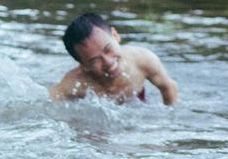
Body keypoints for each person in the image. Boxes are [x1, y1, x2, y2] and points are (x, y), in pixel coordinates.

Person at [49, 13, 178, 105]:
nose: (109, 62)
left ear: (115, 36)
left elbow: (169, 88)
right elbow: (48, 105)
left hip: (137, 104)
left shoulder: (142, 60)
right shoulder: (73, 84)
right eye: (95, 60)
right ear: (83, 65)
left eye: (108, 49)